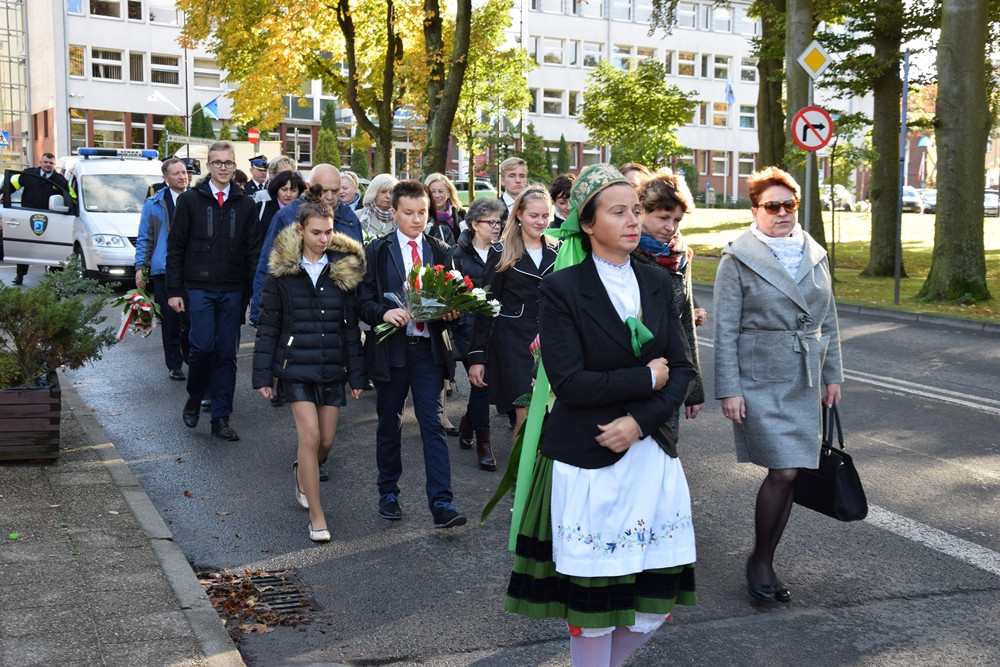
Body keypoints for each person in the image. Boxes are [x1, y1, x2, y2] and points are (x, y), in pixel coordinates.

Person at [505, 164, 698, 665]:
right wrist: (644, 378)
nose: (634, 221)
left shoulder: (659, 283)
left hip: (649, 457)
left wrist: (640, 422)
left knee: (653, 607)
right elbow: (569, 381)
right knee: (592, 614)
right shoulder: (563, 288)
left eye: (636, 211)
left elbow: (681, 371)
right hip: (588, 460)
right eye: (620, 212)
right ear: (588, 224)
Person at [713, 166, 843, 603]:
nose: (784, 212)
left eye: (790, 205)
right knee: (784, 470)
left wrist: (832, 375)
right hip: (759, 378)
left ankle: (765, 556)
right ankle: (761, 560)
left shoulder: (815, 253)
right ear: (755, 210)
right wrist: (729, 388)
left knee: (789, 473)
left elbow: (830, 322)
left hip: (805, 377)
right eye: (773, 206)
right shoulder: (738, 258)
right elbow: (726, 329)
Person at [252, 201, 367, 543]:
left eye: (329, 232)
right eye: (316, 232)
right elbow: (269, 325)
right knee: (311, 437)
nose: (323, 238)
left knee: (327, 441)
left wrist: (357, 375)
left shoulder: (343, 270)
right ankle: (317, 516)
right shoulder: (282, 272)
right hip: (294, 367)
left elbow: (350, 328)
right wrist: (262, 376)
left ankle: (303, 472)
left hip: (331, 366)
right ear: (300, 230)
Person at [356, 180, 466, 529]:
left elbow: (454, 297)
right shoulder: (377, 251)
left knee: (432, 424)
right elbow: (363, 301)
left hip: (428, 351)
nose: (417, 219)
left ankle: (441, 503)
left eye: (422, 212)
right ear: (394, 212)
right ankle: (388, 493)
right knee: (390, 423)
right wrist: (383, 314)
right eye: (409, 213)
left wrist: (453, 310)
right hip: (392, 350)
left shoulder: (440, 250)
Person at [167, 141, 262, 442]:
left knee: (226, 354)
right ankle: (195, 397)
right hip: (199, 288)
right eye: (217, 162)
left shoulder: (246, 204)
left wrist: (252, 296)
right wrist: (174, 290)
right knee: (203, 348)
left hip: (233, 290)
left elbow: (254, 253)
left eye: (228, 162)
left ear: (235, 166)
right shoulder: (191, 200)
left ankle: (221, 417)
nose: (223, 167)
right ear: (207, 166)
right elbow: (176, 248)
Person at [468, 187, 557, 439]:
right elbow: (487, 306)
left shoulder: (558, 250)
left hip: (551, 343)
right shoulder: (501, 251)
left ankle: (542, 473)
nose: (540, 222)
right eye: (534, 216)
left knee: (550, 413)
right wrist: (477, 357)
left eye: (545, 216)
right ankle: (521, 474)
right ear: (518, 214)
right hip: (514, 344)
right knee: (526, 412)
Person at [632, 169, 705, 439]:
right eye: (663, 217)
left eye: (676, 219)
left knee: (664, 447)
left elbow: (686, 323)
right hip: (628, 375)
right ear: (641, 211)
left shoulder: (680, 256)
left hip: (669, 376)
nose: (671, 226)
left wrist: (694, 390)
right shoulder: (624, 252)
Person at [250, 164, 363, 327]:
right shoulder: (287, 216)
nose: (330, 197)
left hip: (339, 315)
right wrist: (259, 316)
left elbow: (359, 266)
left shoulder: (349, 218)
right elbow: (267, 266)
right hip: (297, 313)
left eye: (336, 191)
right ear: (309, 187)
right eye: (324, 191)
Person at [447, 197, 505, 471]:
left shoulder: (505, 252)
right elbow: (450, 299)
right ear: (473, 224)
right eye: (490, 222)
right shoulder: (455, 255)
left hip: (498, 329)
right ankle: (484, 443)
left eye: (499, 221)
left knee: (487, 381)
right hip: (468, 330)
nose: (497, 227)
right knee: (480, 383)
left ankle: (468, 425)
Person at [135, 157, 191, 381]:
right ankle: (174, 364)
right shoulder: (154, 203)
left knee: (191, 319)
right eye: (176, 173)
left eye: (184, 172)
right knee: (170, 321)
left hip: (192, 270)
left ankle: (190, 356)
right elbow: (145, 238)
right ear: (165, 178)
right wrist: (141, 267)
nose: (182, 176)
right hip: (163, 270)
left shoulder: (196, 199)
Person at [9, 153, 70, 284]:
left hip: (52, 219)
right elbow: (12, 184)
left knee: (53, 248)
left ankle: (55, 277)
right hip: (28, 217)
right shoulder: (29, 175)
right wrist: (3, 194)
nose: (48, 165)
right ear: (40, 162)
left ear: (54, 165)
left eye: (51, 163)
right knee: (25, 248)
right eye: (46, 162)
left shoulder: (60, 180)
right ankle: (20, 276)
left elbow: (71, 196)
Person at [257, 170, 306, 234]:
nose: (288, 194)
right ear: (276, 189)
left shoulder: (304, 211)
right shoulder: (261, 207)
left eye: (293, 190)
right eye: (284, 189)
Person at [425, 172, 465, 241]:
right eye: (432, 192)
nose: (437, 195)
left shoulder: (460, 213)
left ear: (449, 193)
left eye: (441, 191)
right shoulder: (424, 216)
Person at [357, 173, 399, 239]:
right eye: (383, 192)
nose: (388, 196)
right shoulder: (357, 216)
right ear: (374, 193)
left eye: (391, 193)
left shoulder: (400, 218)